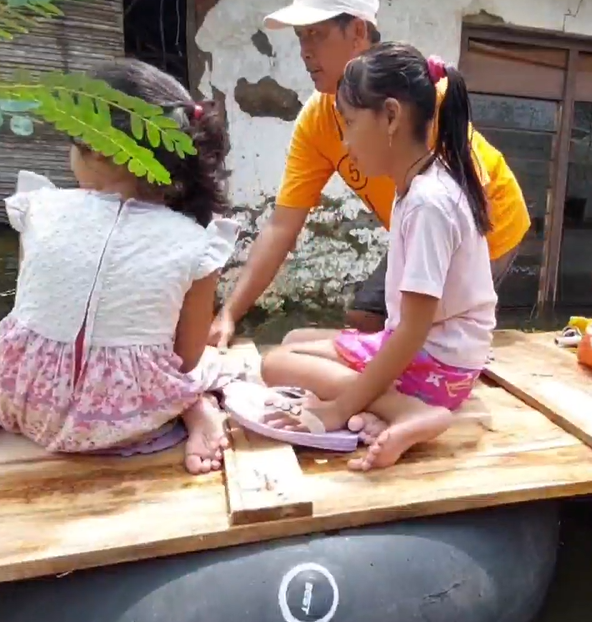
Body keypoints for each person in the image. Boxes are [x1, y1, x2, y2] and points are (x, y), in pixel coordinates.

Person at [207, 0, 529, 348]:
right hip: (416, 229)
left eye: (316, 34)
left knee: (428, 338)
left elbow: (466, 191)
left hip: (483, 224)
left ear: (358, 31)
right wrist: (228, 314)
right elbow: (282, 226)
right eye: (301, 37)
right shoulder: (316, 122)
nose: (305, 51)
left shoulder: (413, 96)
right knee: (366, 320)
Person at [260, 42, 497, 471]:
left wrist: (337, 407)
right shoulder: (421, 184)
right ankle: (386, 407)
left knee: (275, 364)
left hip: (437, 367)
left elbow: (411, 332)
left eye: (349, 123)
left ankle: (408, 412)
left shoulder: (428, 203)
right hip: (439, 356)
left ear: (390, 116)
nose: (346, 141)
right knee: (293, 343)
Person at [0, 58, 239, 473]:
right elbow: (185, 357)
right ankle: (193, 407)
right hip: (127, 418)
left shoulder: (41, 207)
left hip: (21, 400)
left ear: (94, 147)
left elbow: (29, 316)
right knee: (202, 372)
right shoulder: (197, 243)